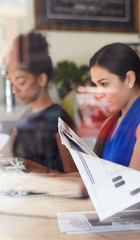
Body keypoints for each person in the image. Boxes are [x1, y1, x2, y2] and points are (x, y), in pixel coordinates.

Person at [89, 42, 140, 180]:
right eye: (95, 85)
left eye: (104, 84)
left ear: (129, 79)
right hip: (110, 199)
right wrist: (51, 177)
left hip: (137, 201)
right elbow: (95, 177)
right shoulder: (111, 122)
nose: (98, 94)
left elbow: (133, 186)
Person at [0, 31, 77, 173]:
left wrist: (31, 167)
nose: (14, 90)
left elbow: (74, 176)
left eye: (21, 82)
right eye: (11, 84)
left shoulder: (60, 121)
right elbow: (4, 157)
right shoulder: (24, 119)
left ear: (42, 79)